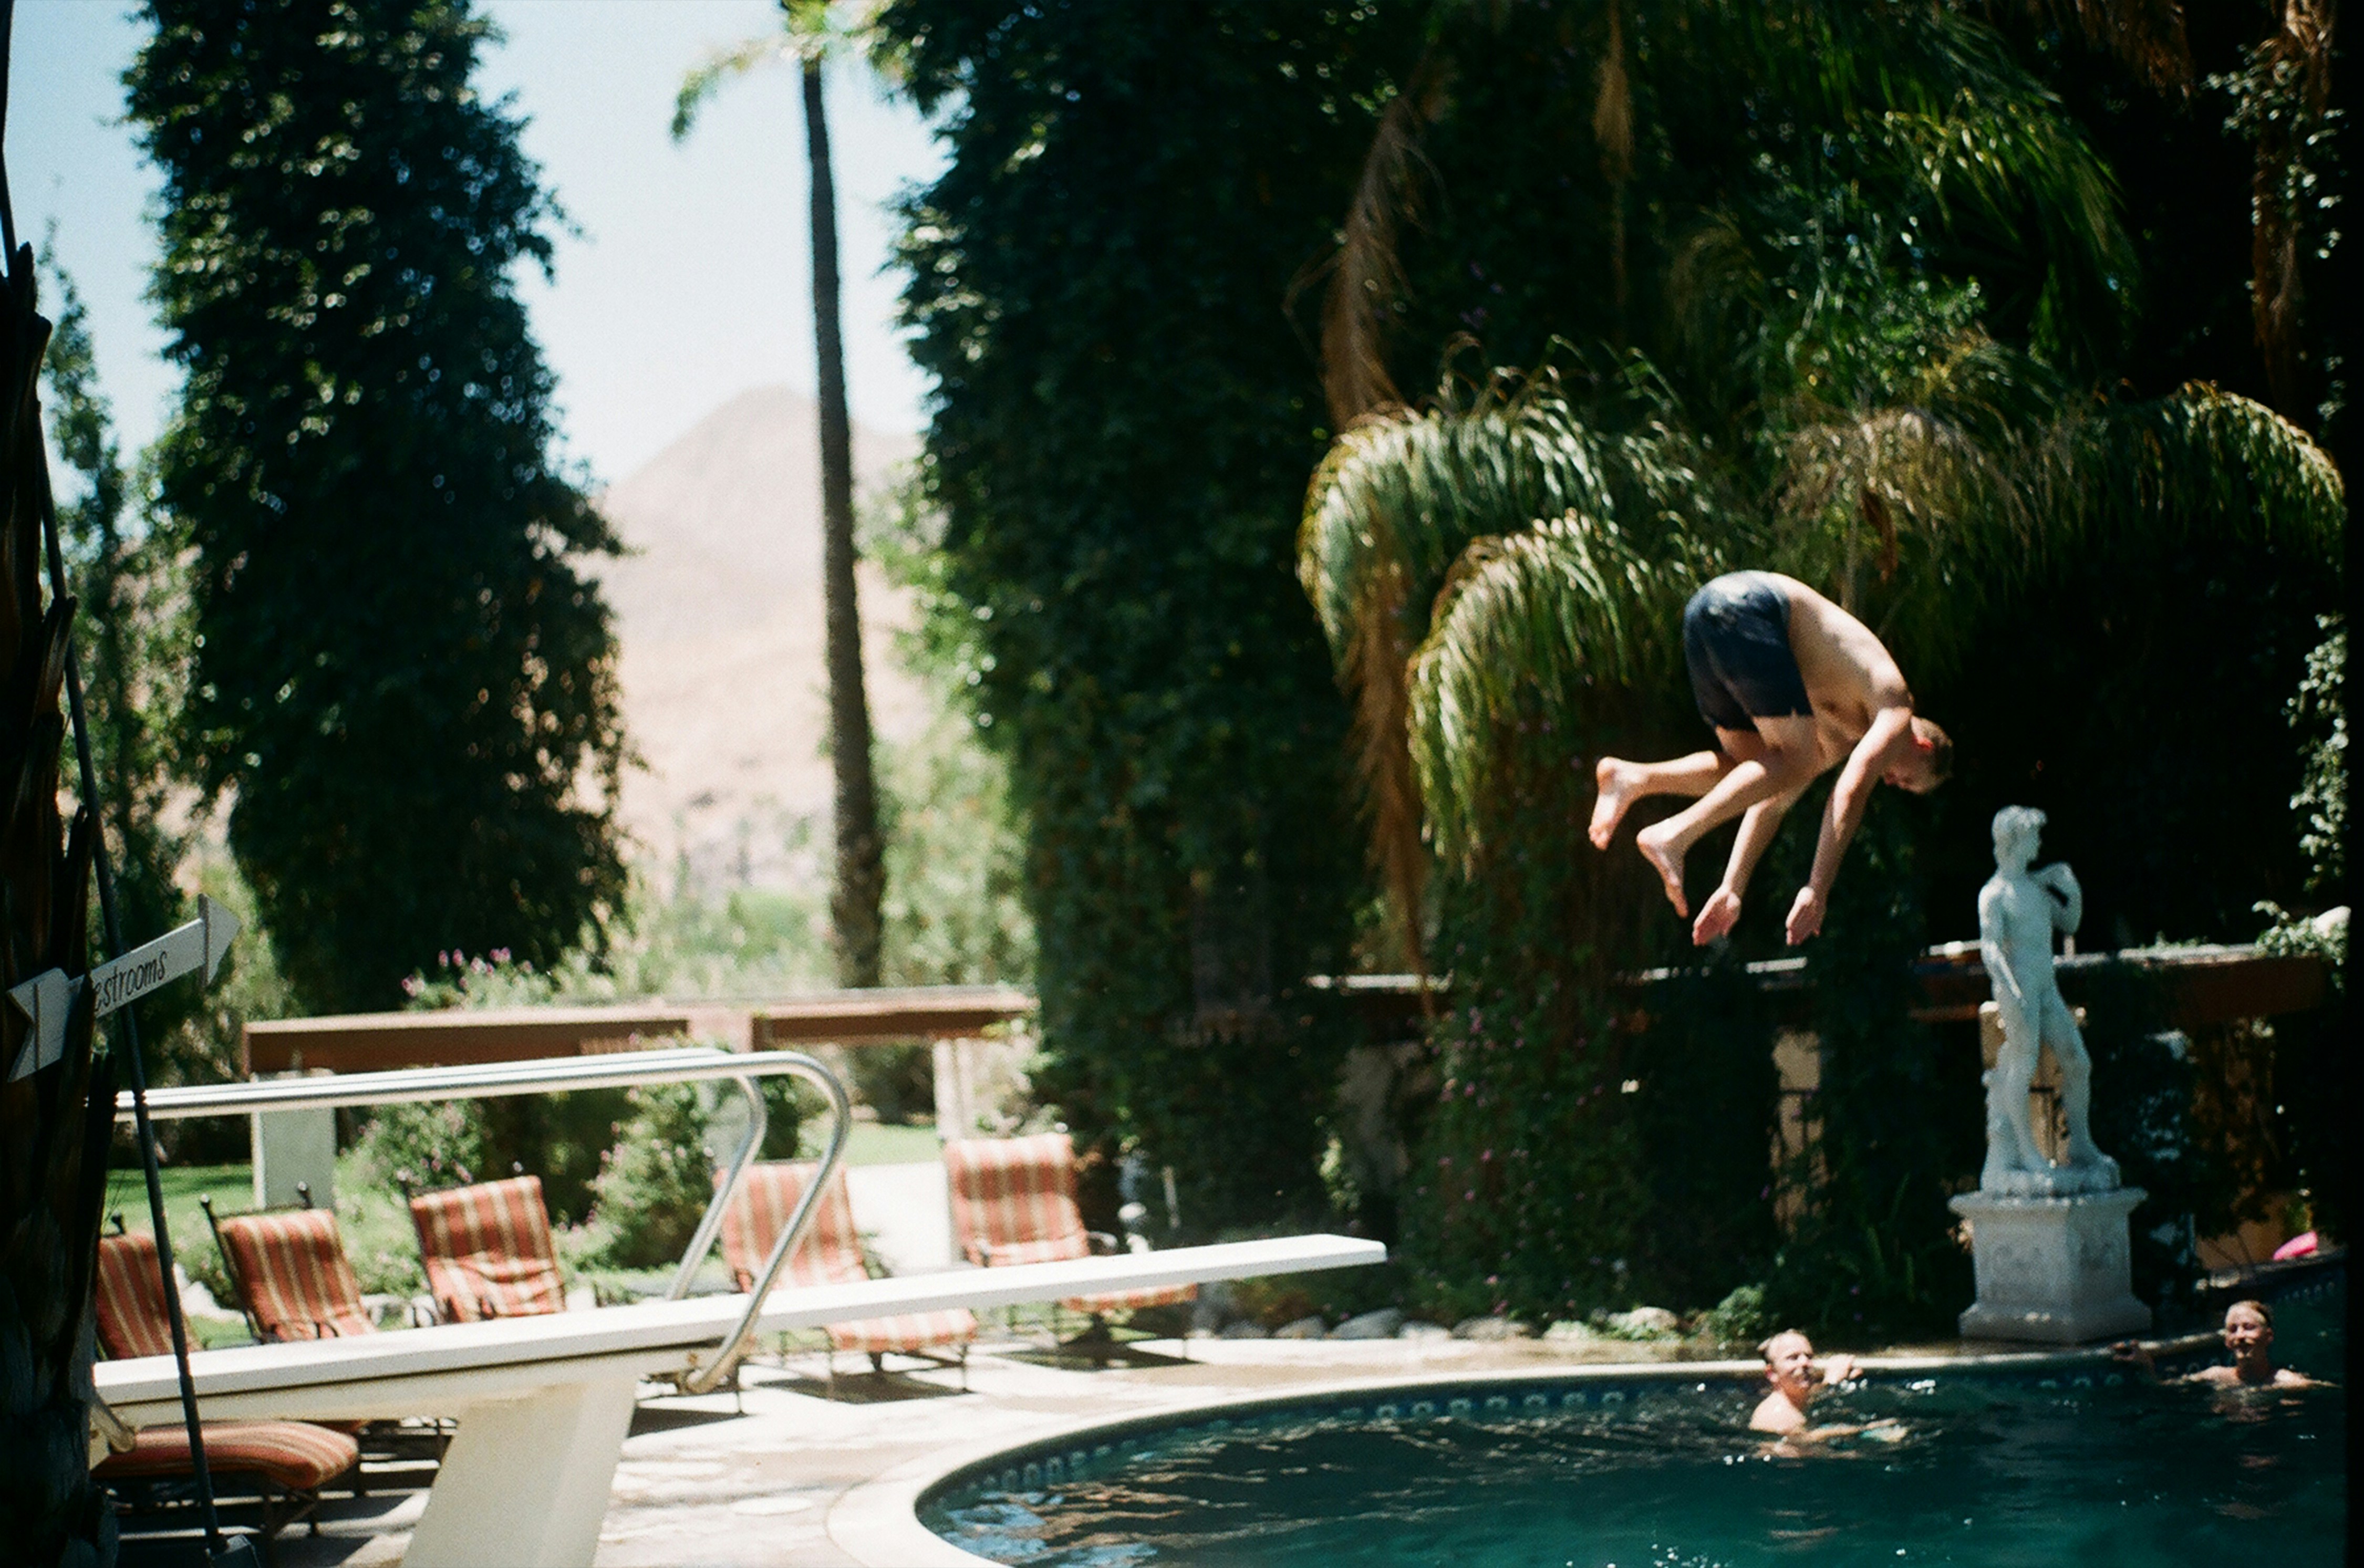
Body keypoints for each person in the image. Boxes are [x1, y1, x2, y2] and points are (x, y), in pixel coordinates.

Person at [1589, 571, 1951, 947]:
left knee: (1760, 766)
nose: (1891, 782)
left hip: (1706, 613)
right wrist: (1817, 888)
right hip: (1754, 609)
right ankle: (1675, 835)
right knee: (1796, 761)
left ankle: (1633, 778)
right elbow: (1850, 791)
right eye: (1908, 779)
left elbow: (1774, 800)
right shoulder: (1896, 708)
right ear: (1923, 747)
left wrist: (1733, 885)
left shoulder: (1843, 734)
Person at [2113, 1299, 2328, 1389]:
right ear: (2227, 1343)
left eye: (2249, 1327)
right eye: (2234, 1330)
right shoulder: (2215, 1376)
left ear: (2269, 1336)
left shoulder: (2288, 1382)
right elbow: (2163, 1388)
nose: (2240, 1336)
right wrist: (2145, 1366)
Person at [1749, 1329, 1864, 1435]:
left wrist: (1834, 1380)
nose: (1805, 1363)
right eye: (1793, 1358)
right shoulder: (1774, 1417)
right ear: (1772, 1373)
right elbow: (1800, 1444)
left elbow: (1817, 1392)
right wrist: (1868, 1429)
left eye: (1809, 1357)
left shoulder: (1799, 1397)